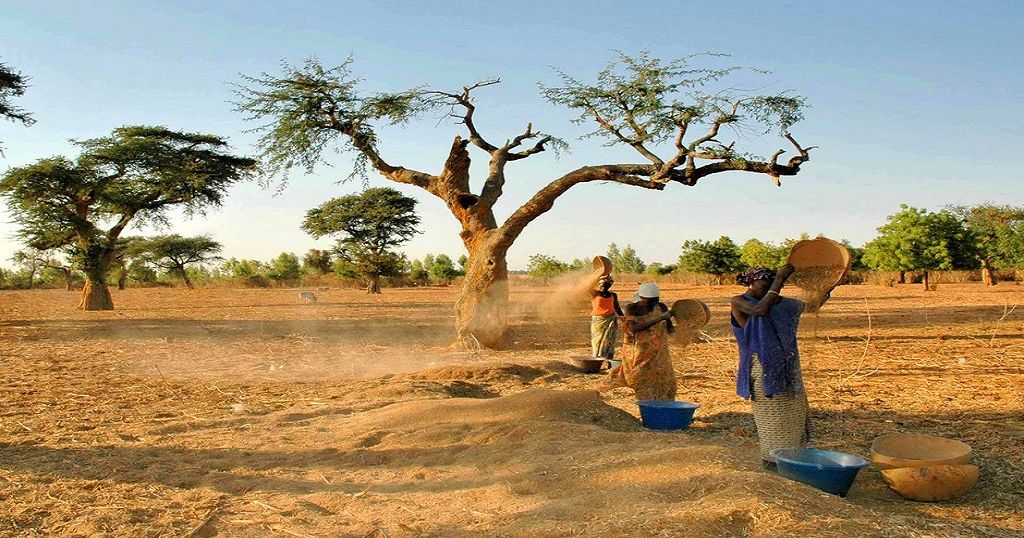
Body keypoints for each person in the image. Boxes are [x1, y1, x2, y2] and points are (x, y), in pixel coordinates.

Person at [730, 265, 811, 469]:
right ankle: (773, 463)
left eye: (775, 286)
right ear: (750, 282)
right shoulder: (740, 301)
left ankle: (793, 461)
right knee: (772, 420)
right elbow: (759, 311)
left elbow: (810, 306)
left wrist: (828, 287)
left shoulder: (777, 302)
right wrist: (779, 280)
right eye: (764, 285)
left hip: (787, 368)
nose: (770, 290)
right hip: (761, 369)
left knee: (793, 415)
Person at [603, 283, 676, 400]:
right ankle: (645, 403)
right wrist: (660, 318)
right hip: (638, 350)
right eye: (649, 301)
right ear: (641, 298)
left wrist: (686, 328)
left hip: (659, 351)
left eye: (655, 300)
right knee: (639, 378)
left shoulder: (661, 307)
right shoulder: (631, 308)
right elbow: (634, 329)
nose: (653, 303)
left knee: (665, 381)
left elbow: (670, 328)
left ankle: (664, 404)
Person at [590, 276, 623, 363]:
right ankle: (596, 362)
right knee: (597, 342)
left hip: (610, 320)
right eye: (602, 285)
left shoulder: (613, 295)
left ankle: (610, 362)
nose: (604, 287)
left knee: (610, 342)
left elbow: (617, 308)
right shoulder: (594, 293)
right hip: (598, 322)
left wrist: (624, 319)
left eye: (607, 285)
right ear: (599, 284)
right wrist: (598, 275)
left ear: (610, 286)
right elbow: (588, 286)